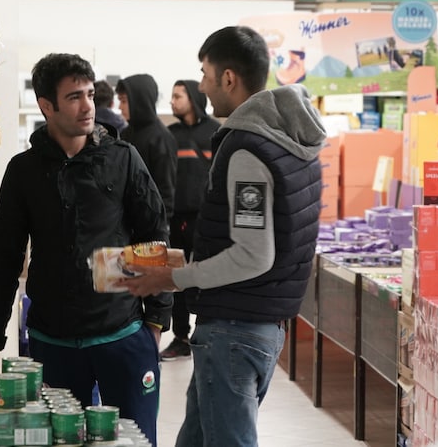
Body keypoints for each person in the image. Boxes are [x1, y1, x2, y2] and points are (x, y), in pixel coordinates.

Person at [118, 26, 327, 447]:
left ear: (228, 78)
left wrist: (172, 279)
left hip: (236, 329)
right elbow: (269, 236)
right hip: (261, 320)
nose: (201, 84)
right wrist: (185, 261)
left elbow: (253, 255)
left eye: (205, 73)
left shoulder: (249, 149)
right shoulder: (291, 139)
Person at [0, 53, 171, 447]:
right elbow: (4, 258)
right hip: (54, 342)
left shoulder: (122, 159)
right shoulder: (24, 171)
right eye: (73, 97)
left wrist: (156, 322)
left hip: (123, 334)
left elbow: (155, 237)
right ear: (46, 105)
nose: (88, 106)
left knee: (136, 441)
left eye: (88, 94)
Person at [159, 80, 220, 361]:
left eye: (177, 96)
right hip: (174, 218)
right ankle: (181, 337)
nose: (172, 101)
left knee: (209, 277)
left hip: (206, 218)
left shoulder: (215, 132)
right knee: (177, 279)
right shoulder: (168, 134)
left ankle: (209, 333)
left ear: (193, 98)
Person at [116, 74, 178, 219]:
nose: (120, 107)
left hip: (151, 222)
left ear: (139, 102)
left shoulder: (161, 138)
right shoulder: (126, 133)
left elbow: (166, 190)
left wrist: (162, 227)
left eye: (124, 101)